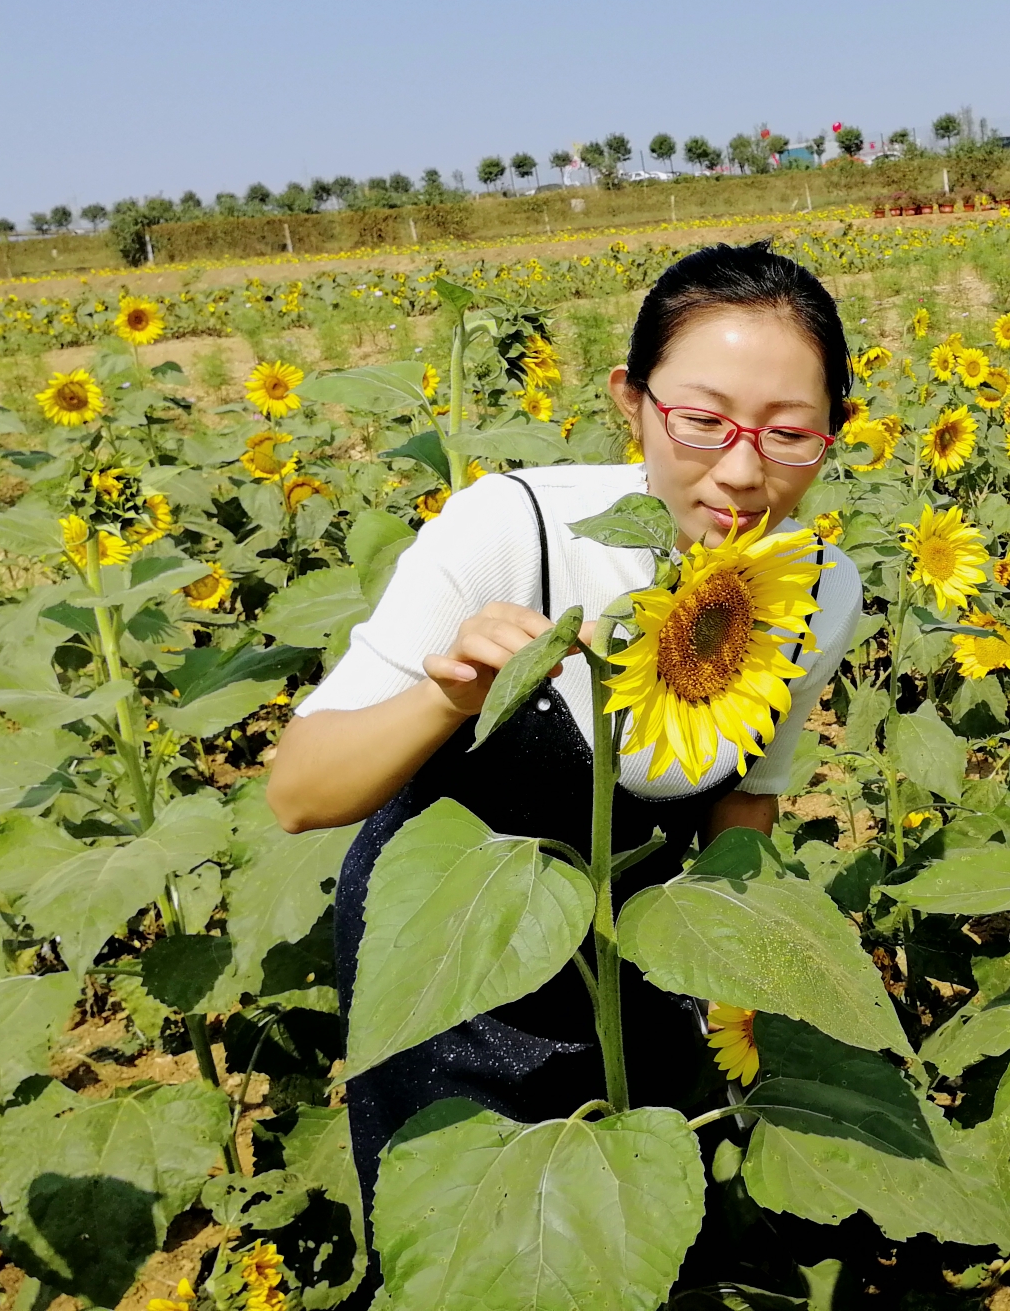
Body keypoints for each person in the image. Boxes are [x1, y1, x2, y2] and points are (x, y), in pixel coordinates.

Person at [267, 242, 865, 1292]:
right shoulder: (520, 528)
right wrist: (447, 695)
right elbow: (300, 790)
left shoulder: (814, 587)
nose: (739, 469)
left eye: (787, 433)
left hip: (645, 963)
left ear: (831, 437)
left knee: (620, 1242)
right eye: (700, 419)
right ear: (629, 403)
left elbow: (744, 799)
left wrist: (732, 989)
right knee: (473, 1256)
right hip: (456, 957)